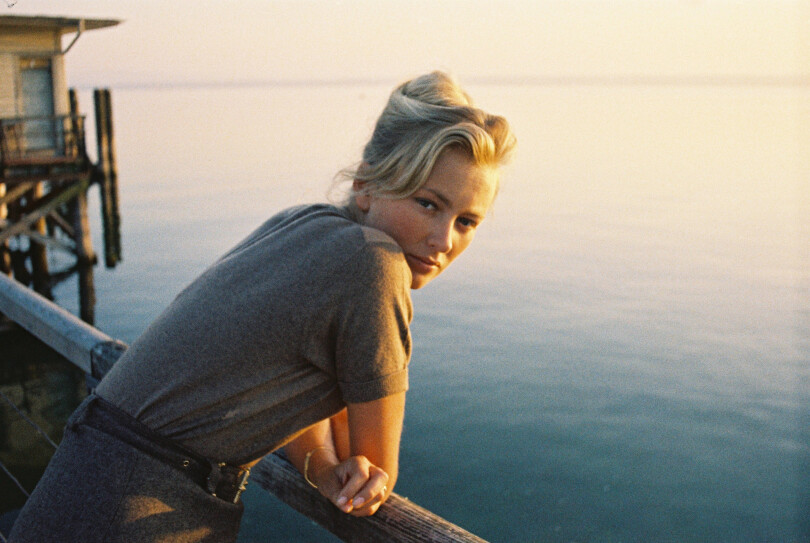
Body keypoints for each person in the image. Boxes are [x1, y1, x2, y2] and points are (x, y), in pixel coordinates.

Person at [9, 70, 515, 543]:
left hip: (82, 474)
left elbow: (287, 378)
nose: (442, 239)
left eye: (467, 221)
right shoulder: (377, 266)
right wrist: (341, 464)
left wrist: (319, 463)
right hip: (141, 512)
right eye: (428, 203)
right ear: (365, 184)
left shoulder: (302, 224)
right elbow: (373, 468)